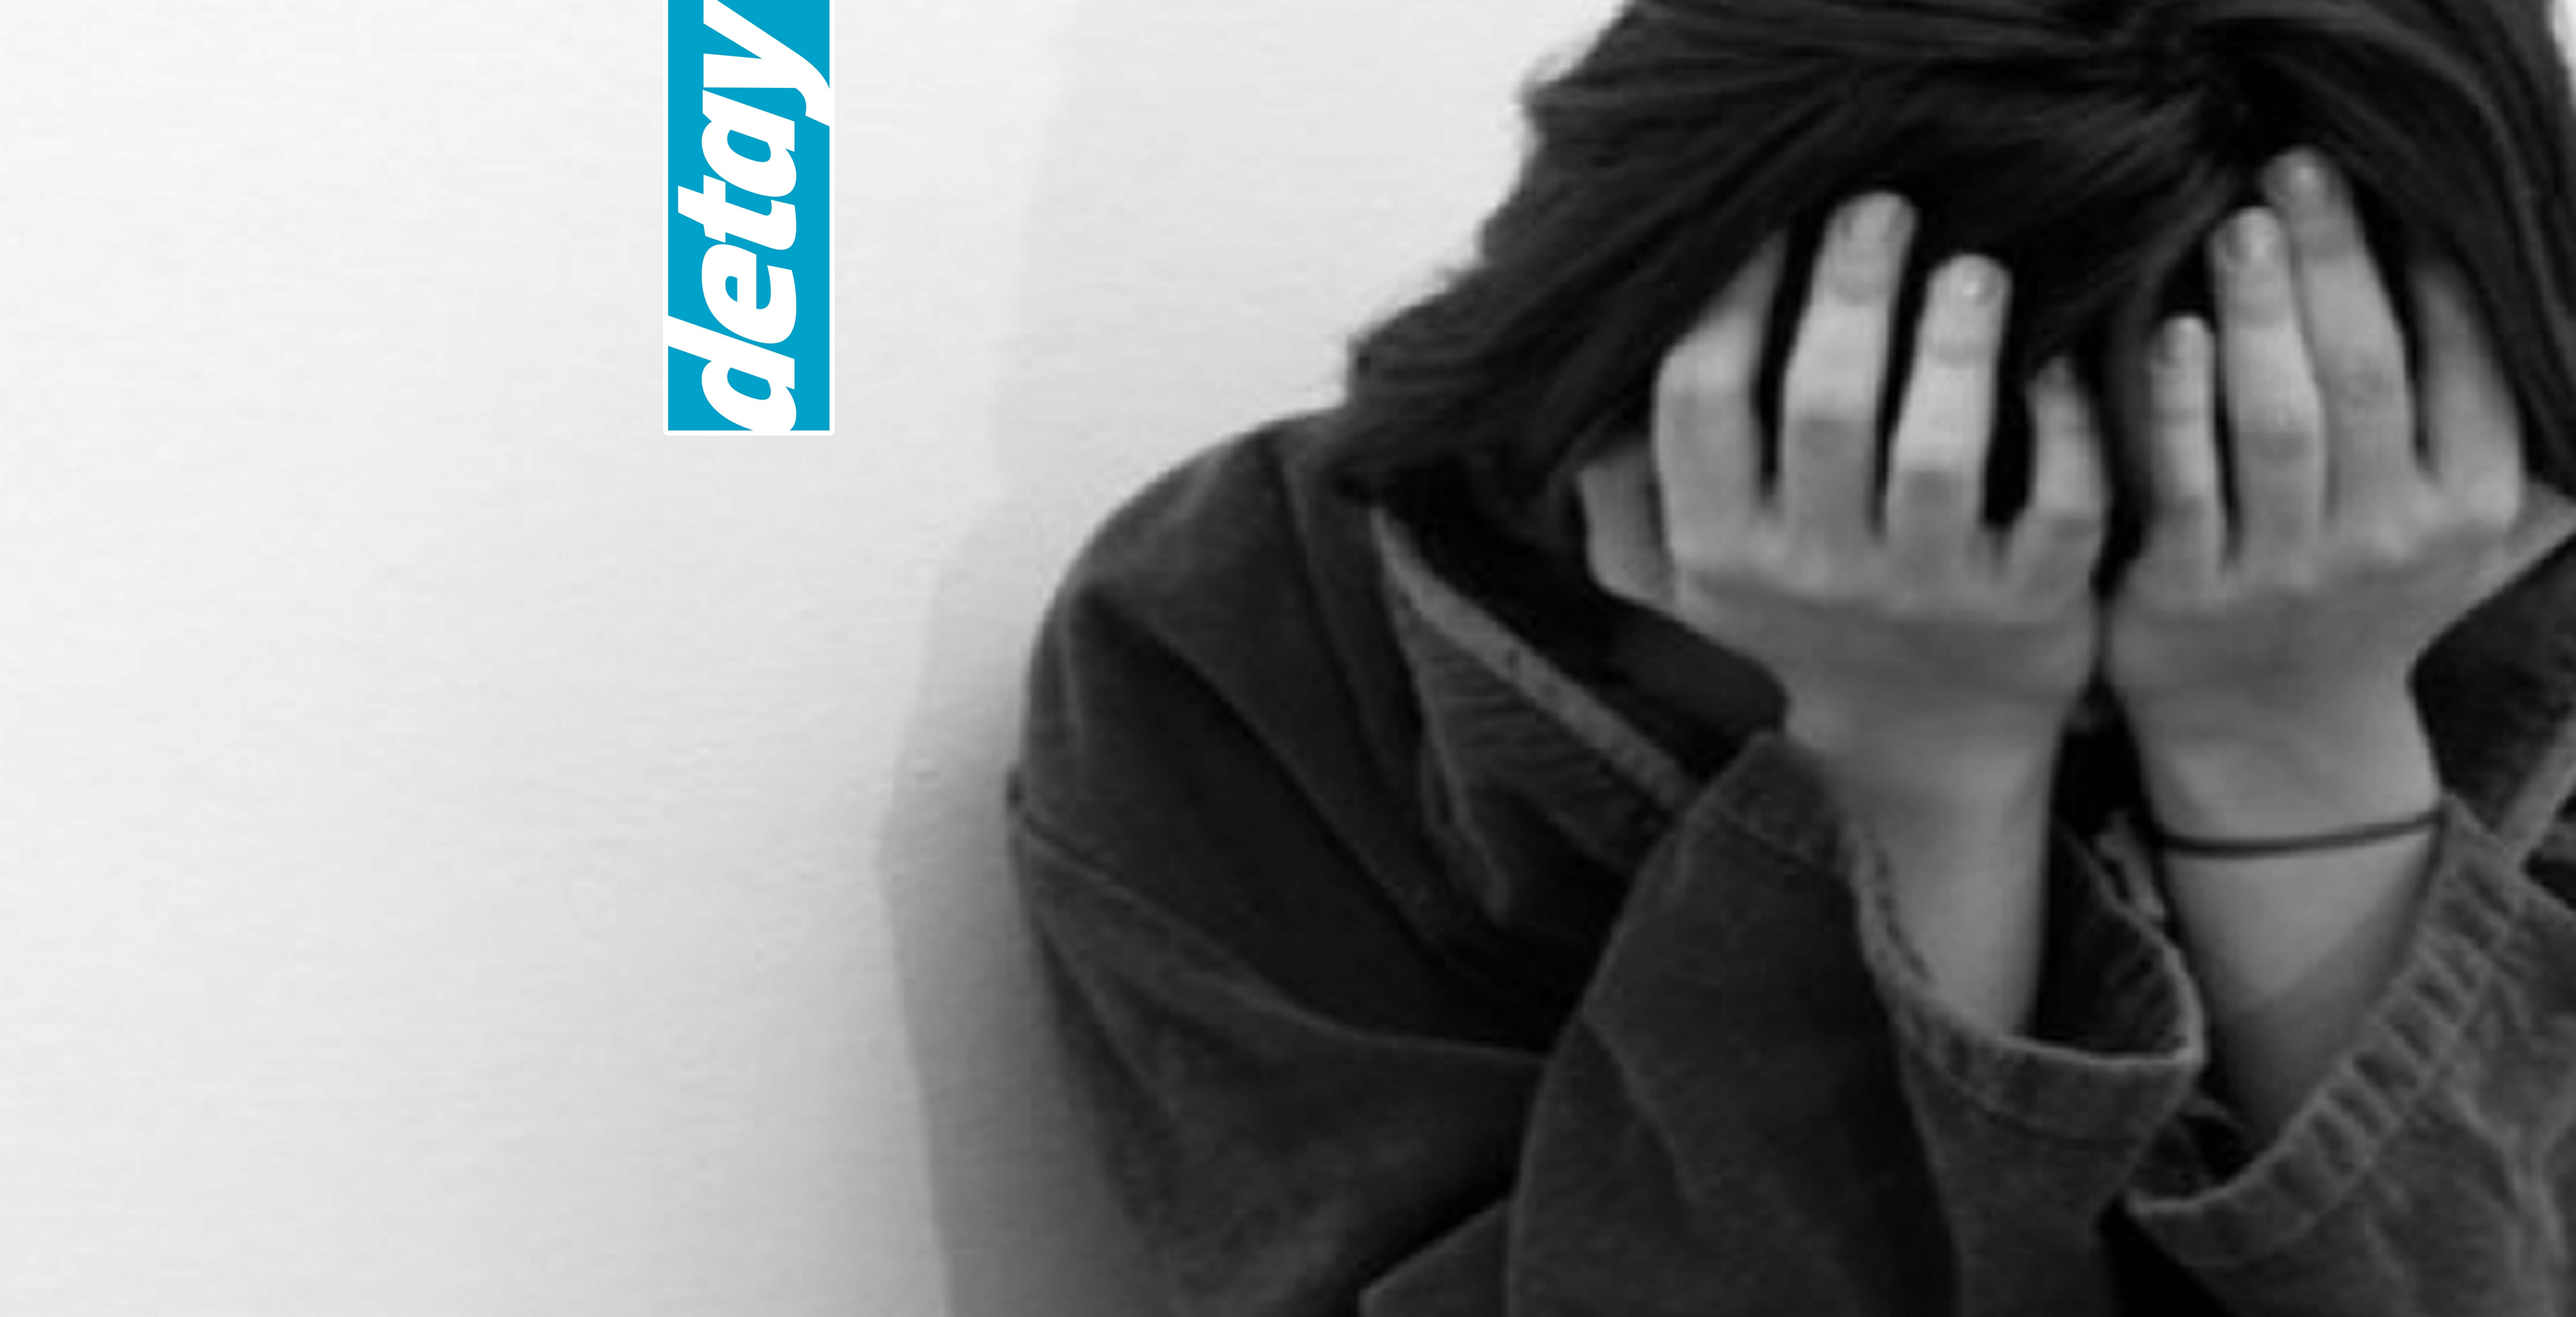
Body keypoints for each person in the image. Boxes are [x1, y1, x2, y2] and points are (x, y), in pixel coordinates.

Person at [1006, 0, 2576, 1312]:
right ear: (1622, 421)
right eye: (1873, 521)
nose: (2085, 677)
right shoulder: (1260, 626)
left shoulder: (2527, 596)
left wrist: (2296, 754)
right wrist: (1908, 778)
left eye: (2269, 535)